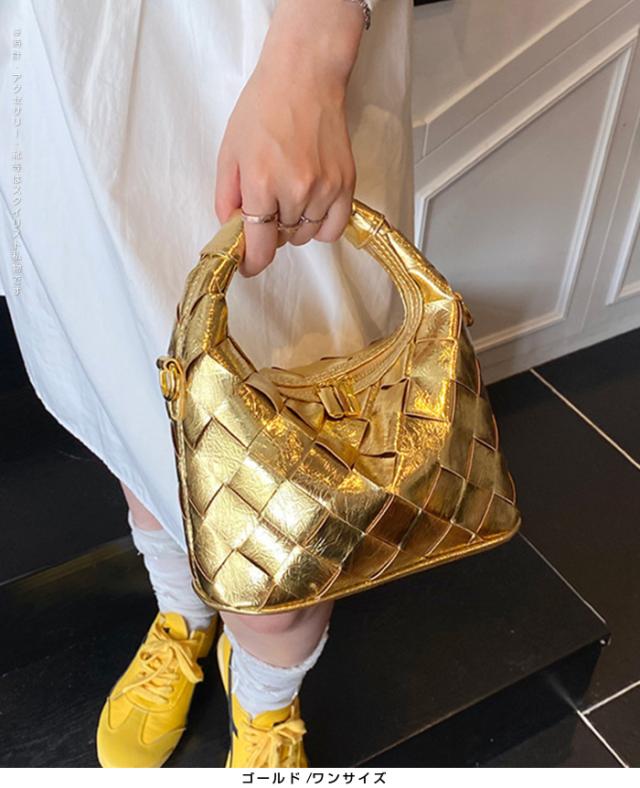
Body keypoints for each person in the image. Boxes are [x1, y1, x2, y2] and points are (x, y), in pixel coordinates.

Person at [0, 0, 414, 768]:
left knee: (294, 509)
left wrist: (313, 48)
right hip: (68, 75)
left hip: (241, 50)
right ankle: (183, 616)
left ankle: (267, 699)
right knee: (139, 419)